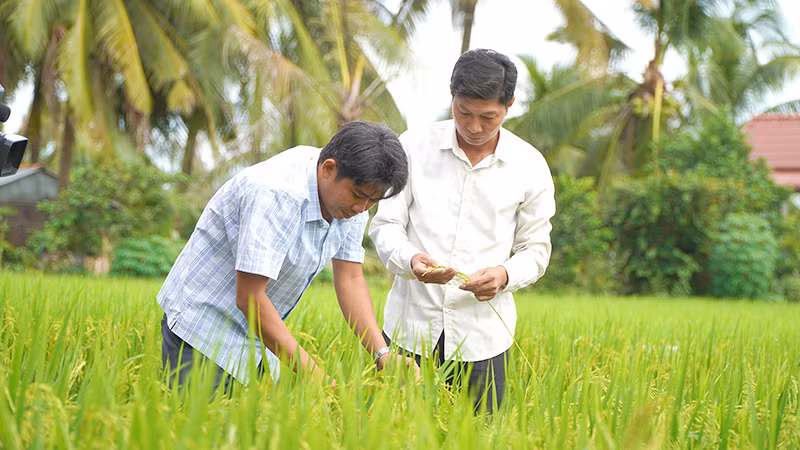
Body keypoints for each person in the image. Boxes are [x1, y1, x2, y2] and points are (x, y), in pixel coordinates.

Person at [158, 120, 418, 392]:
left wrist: (382, 353)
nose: (362, 208)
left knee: (252, 429)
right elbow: (250, 297)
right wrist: (316, 376)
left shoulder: (351, 202)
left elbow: (350, 278)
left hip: (256, 337)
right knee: (202, 427)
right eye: (358, 196)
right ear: (329, 169)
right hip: (203, 325)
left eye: (372, 201)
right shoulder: (276, 194)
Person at [368, 49, 556, 413]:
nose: (474, 127)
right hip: (409, 329)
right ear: (451, 96)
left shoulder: (530, 165)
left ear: (510, 105)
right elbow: (386, 224)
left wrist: (503, 275)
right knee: (395, 432)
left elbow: (536, 249)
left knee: (480, 435)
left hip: (483, 337)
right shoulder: (412, 147)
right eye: (464, 112)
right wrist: (411, 261)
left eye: (489, 117)